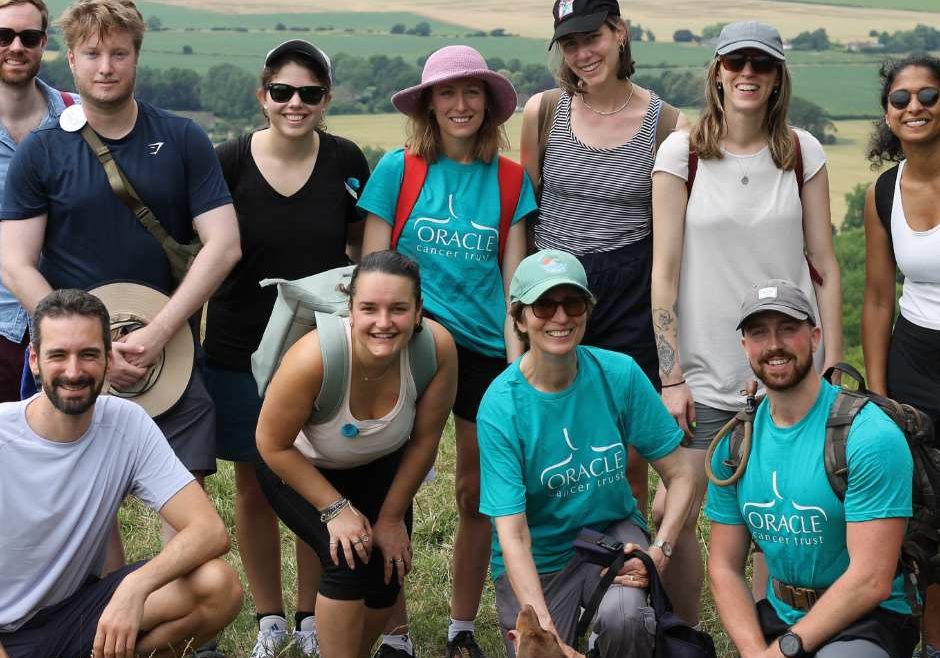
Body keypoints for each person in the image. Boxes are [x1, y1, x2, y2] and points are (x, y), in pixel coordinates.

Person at [649, 20, 842, 623]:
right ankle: (684, 632)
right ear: (717, 71)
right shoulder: (682, 154)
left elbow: (826, 267)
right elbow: (665, 273)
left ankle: (769, 627)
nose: (748, 74)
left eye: (762, 64)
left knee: (777, 509)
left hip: (788, 366)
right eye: (737, 63)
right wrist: (671, 373)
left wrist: (829, 364)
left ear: (778, 75)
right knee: (672, 512)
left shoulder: (801, 151)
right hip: (704, 371)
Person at [0, 0, 239, 484]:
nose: (105, 67)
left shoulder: (183, 137)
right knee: (88, 512)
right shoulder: (40, 151)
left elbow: (225, 244)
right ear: (70, 60)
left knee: (187, 508)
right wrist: (88, 347)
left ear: (137, 56)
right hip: (76, 364)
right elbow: (14, 262)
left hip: (170, 351)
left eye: (118, 53)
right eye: (91, 54)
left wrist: (158, 333)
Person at [359, 45, 536, 657]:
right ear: (428, 104)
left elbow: (514, 287)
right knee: (389, 489)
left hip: (485, 350)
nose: (460, 105)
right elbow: (372, 271)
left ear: (487, 103)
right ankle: (396, 631)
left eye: (471, 93)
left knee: (475, 492)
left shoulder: (512, 179)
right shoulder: (398, 170)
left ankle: (462, 627)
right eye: (447, 93)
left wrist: (519, 369)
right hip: (406, 345)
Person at [204, 38, 370, 657]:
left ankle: (309, 616)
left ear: (326, 101)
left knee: (311, 480)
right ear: (262, 95)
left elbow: (361, 252)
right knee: (253, 483)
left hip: (320, 353)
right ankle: (269, 619)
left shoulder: (347, 161)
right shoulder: (227, 162)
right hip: (238, 346)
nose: (294, 103)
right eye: (282, 91)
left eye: (310, 93)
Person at [477, 249, 697, 658]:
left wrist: (659, 552)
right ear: (520, 318)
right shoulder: (500, 407)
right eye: (543, 305)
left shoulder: (621, 374)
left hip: (609, 538)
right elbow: (513, 534)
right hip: (538, 557)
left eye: (572, 303)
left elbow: (683, 475)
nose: (560, 318)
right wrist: (545, 632)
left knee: (625, 620)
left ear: (587, 311)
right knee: (541, 652)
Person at [0, 288, 243, 658]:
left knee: (217, 585)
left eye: (89, 355)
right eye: (58, 355)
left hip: (73, 614)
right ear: (34, 360)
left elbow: (209, 531)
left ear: (108, 358)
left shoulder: (126, 423)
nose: (73, 371)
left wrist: (135, 587)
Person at [519, 0, 689, 521]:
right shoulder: (544, 111)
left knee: (626, 457)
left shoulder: (668, 125)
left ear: (620, 33)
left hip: (629, 293)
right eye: (569, 44)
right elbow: (525, 214)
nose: (582, 53)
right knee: (549, 445)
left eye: (591, 37)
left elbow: (670, 248)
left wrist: (671, 362)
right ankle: (555, 568)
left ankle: (626, 574)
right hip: (554, 288)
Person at [255, 251, 458, 658]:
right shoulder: (312, 358)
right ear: (351, 308)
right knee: (346, 562)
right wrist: (335, 510)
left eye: (398, 309)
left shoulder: (436, 349)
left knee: (387, 570)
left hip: (379, 464)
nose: (383, 323)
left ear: (418, 312)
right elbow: (271, 444)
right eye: (369, 308)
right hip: (299, 465)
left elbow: (424, 441)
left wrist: (390, 517)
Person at [707, 279, 919, 658]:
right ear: (745, 346)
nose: (773, 344)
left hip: (866, 619)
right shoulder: (735, 444)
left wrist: (781, 652)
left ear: (815, 336)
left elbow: (871, 580)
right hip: (779, 614)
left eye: (788, 329)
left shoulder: (867, 435)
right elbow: (723, 565)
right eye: (759, 333)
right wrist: (754, 651)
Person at [862, 53, 940, 658]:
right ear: (887, 115)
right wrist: (880, 397)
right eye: (901, 99)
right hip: (914, 359)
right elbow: (879, 298)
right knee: (925, 524)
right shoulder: (883, 191)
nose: (914, 106)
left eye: (929, 96)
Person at [0, 0, 75, 403]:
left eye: (28, 37)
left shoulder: (80, 118)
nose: (16, 47)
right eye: (3, 36)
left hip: (73, 323)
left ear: (43, 43)